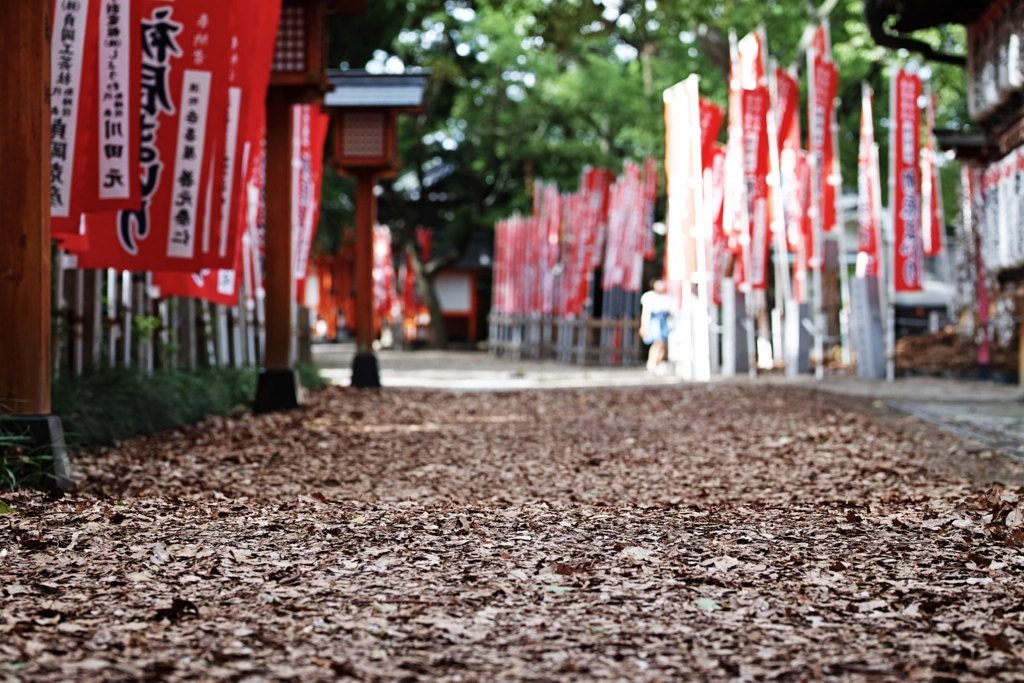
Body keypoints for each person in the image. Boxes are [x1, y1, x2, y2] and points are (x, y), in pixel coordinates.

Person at [639, 279, 672, 373]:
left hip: (664, 321)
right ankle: (652, 362)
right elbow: (646, 312)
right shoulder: (650, 296)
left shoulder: (666, 297)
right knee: (657, 342)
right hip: (655, 321)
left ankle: (659, 362)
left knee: (663, 344)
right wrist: (644, 325)